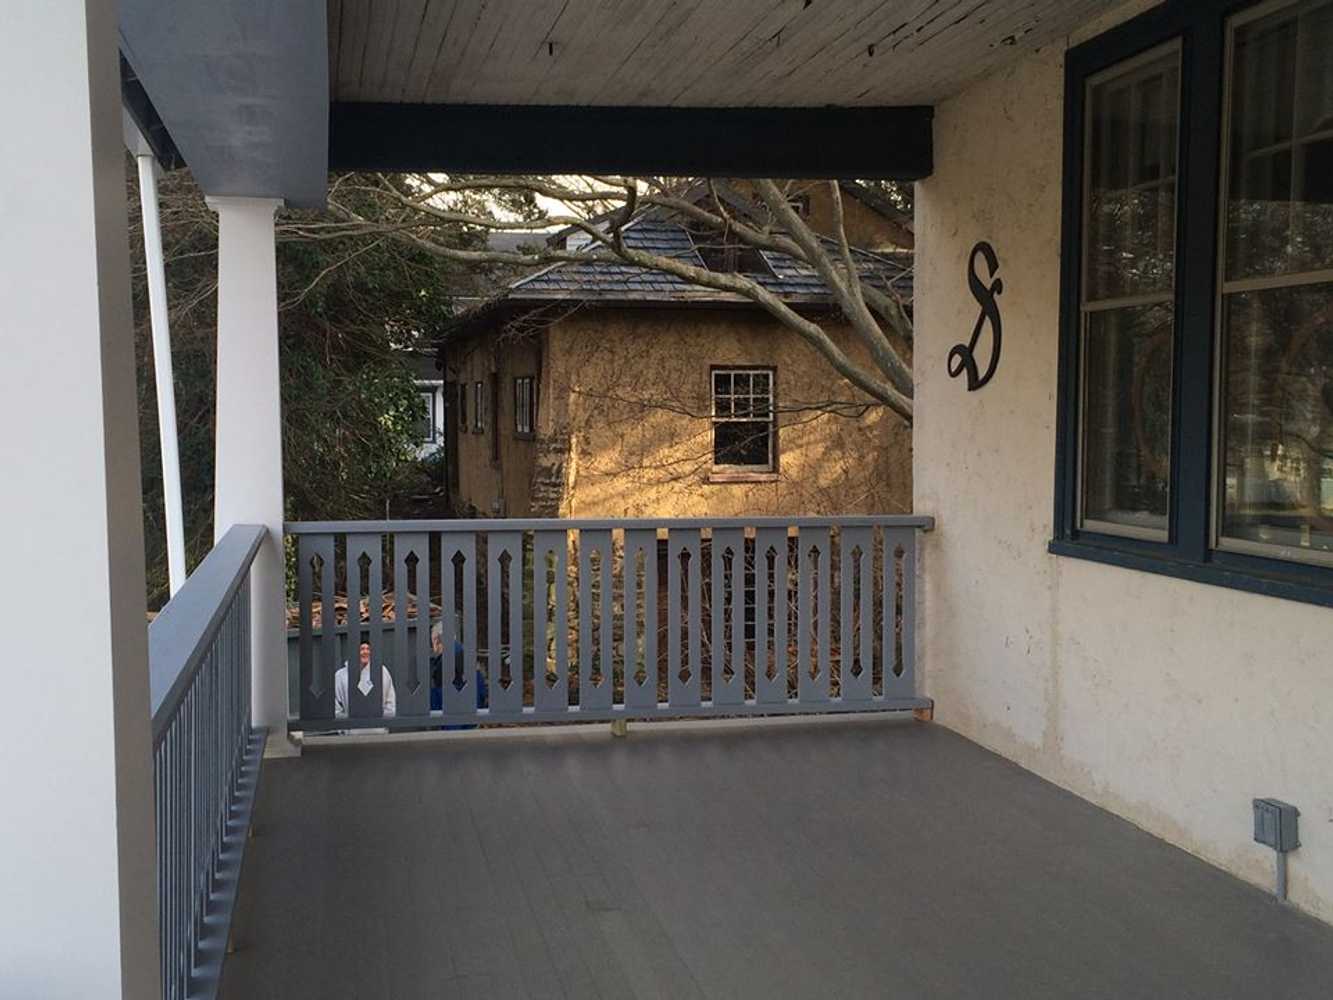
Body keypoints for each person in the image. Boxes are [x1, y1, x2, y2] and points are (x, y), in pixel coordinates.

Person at [430, 621, 488, 727]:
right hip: (473, 712)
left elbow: (441, 697)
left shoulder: (445, 661)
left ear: (437, 639)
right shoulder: (464, 653)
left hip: (454, 719)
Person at [335, 639, 397, 719]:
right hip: (351, 729)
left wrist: (380, 721)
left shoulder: (382, 671)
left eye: (368, 649)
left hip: (378, 728)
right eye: (362, 649)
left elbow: (391, 703)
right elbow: (336, 708)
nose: (365, 652)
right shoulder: (340, 675)